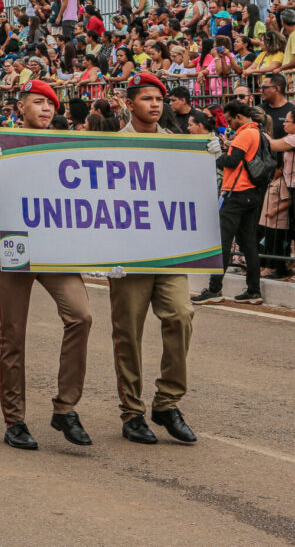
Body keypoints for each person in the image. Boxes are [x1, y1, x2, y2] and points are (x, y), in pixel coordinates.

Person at [0, 79, 93, 450]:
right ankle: (15, 420)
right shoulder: (3, 144)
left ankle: (65, 408)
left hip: (57, 247)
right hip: (18, 244)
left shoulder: (66, 144)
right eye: (38, 102)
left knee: (81, 316)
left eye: (51, 105)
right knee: (13, 333)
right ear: (21, 107)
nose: (46, 109)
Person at [108, 72, 196, 445]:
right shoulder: (110, 146)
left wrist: (208, 161)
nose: (155, 104)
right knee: (128, 332)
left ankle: (167, 401)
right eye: (146, 98)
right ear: (129, 104)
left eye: (159, 98)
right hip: (128, 253)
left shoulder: (179, 145)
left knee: (180, 315)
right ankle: (132, 412)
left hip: (168, 251)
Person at [193, 102, 266, 305]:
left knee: (223, 242)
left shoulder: (245, 134)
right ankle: (253, 290)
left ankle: (214, 289)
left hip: (237, 193)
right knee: (249, 244)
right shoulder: (257, 132)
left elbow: (232, 162)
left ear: (239, 117)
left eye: (230, 120)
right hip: (250, 192)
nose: (229, 124)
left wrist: (217, 155)